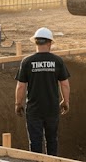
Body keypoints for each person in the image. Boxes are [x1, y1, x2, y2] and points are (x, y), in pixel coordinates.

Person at [15, 27, 71, 156]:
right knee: (52, 141)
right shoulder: (57, 61)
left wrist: (18, 104)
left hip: (34, 110)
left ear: (35, 42)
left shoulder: (27, 61)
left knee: (35, 143)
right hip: (52, 109)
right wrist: (66, 101)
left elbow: (21, 86)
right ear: (50, 43)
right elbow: (64, 84)